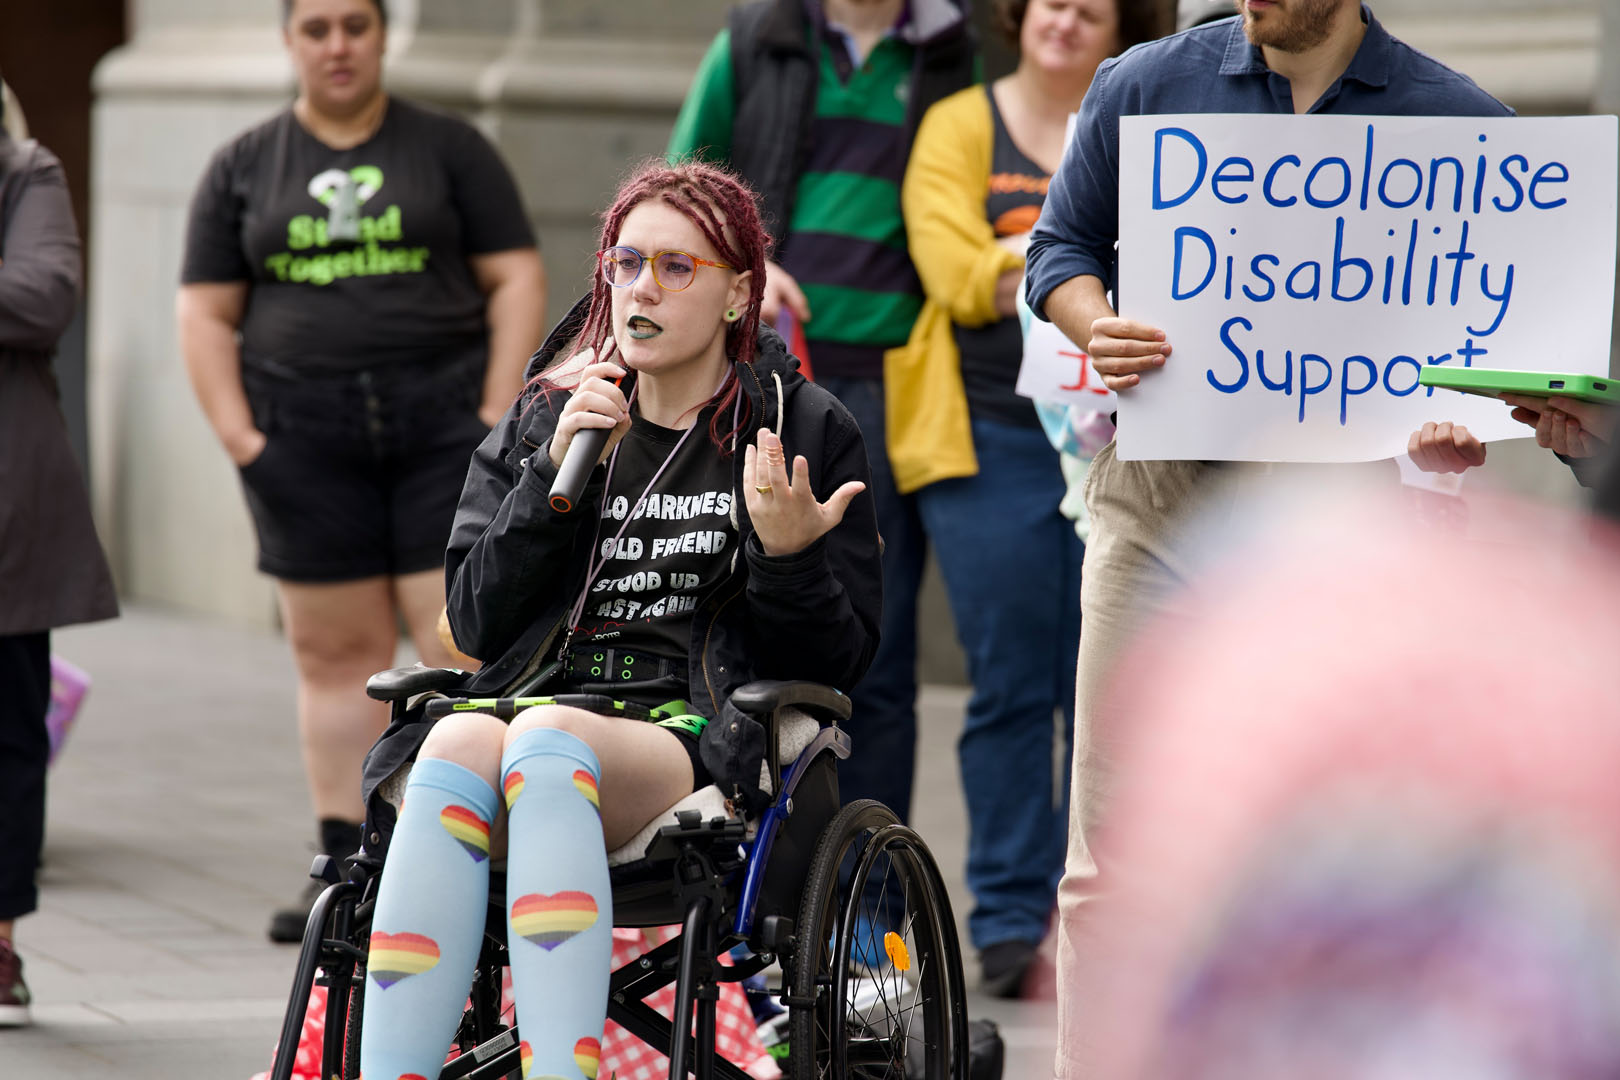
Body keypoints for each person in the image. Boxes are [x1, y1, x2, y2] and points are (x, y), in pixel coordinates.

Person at [1021, 0, 1511, 1070]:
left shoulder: (1456, 118)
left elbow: (1495, 344)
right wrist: (1094, 321)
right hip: (1155, 490)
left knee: (1326, 840)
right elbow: (1057, 249)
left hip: (1338, 517)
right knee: (1112, 846)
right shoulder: (1145, 84)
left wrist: (1455, 420)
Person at [351, 159, 881, 1080]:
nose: (643, 286)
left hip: (689, 723)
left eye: (678, 268)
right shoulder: (550, 421)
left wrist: (788, 556)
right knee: (448, 747)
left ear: (736, 296)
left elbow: (833, 669)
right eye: (626, 263)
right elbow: (471, 629)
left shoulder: (798, 425)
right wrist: (546, 491)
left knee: (546, 739)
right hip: (532, 711)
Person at [176, 0, 546, 942]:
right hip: (302, 436)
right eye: (317, 28)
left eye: (355, 24)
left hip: (441, 433)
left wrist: (495, 414)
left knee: (454, 643)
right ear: (290, 39)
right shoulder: (244, 166)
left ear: (382, 36)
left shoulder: (451, 149)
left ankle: (449, 853)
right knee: (333, 657)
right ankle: (345, 865)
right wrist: (242, 439)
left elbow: (515, 275)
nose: (337, 44)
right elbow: (206, 311)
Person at [898, 0, 1160, 996]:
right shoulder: (961, 124)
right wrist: (1069, 255)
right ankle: (1011, 924)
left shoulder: (1148, 111)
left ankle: (1105, 914)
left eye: (1091, 8)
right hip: (988, 439)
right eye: (1052, 1)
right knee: (1012, 684)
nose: (1067, 20)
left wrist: (1049, 253)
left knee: (1110, 683)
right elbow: (955, 274)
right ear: (1019, 16)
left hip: (1128, 441)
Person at [666, 0, 976, 832]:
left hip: (899, 381)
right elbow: (679, 197)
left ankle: (871, 900)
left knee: (878, 648)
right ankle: (764, 883)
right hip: (765, 379)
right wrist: (759, 266)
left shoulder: (958, 46)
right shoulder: (753, 40)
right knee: (744, 633)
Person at [0, 78, 120, 1026]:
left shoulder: (23, 169)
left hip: (8, 506)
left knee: (5, 736)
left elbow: (42, 295)